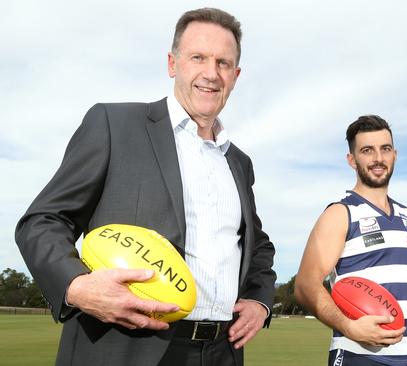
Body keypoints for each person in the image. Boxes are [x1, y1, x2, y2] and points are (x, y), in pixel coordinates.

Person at [15, 8, 276, 366]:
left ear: (236, 75)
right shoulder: (114, 124)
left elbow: (256, 245)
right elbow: (42, 220)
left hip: (222, 351)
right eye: (198, 57)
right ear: (173, 64)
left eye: (223, 63)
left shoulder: (239, 162)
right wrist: (76, 287)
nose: (211, 74)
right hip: (126, 348)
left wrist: (260, 301)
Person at [295, 115, 407, 366]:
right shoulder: (340, 214)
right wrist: (349, 327)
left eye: (385, 149)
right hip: (358, 356)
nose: (378, 158)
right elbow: (305, 285)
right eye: (367, 150)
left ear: (395, 154)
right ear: (352, 160)